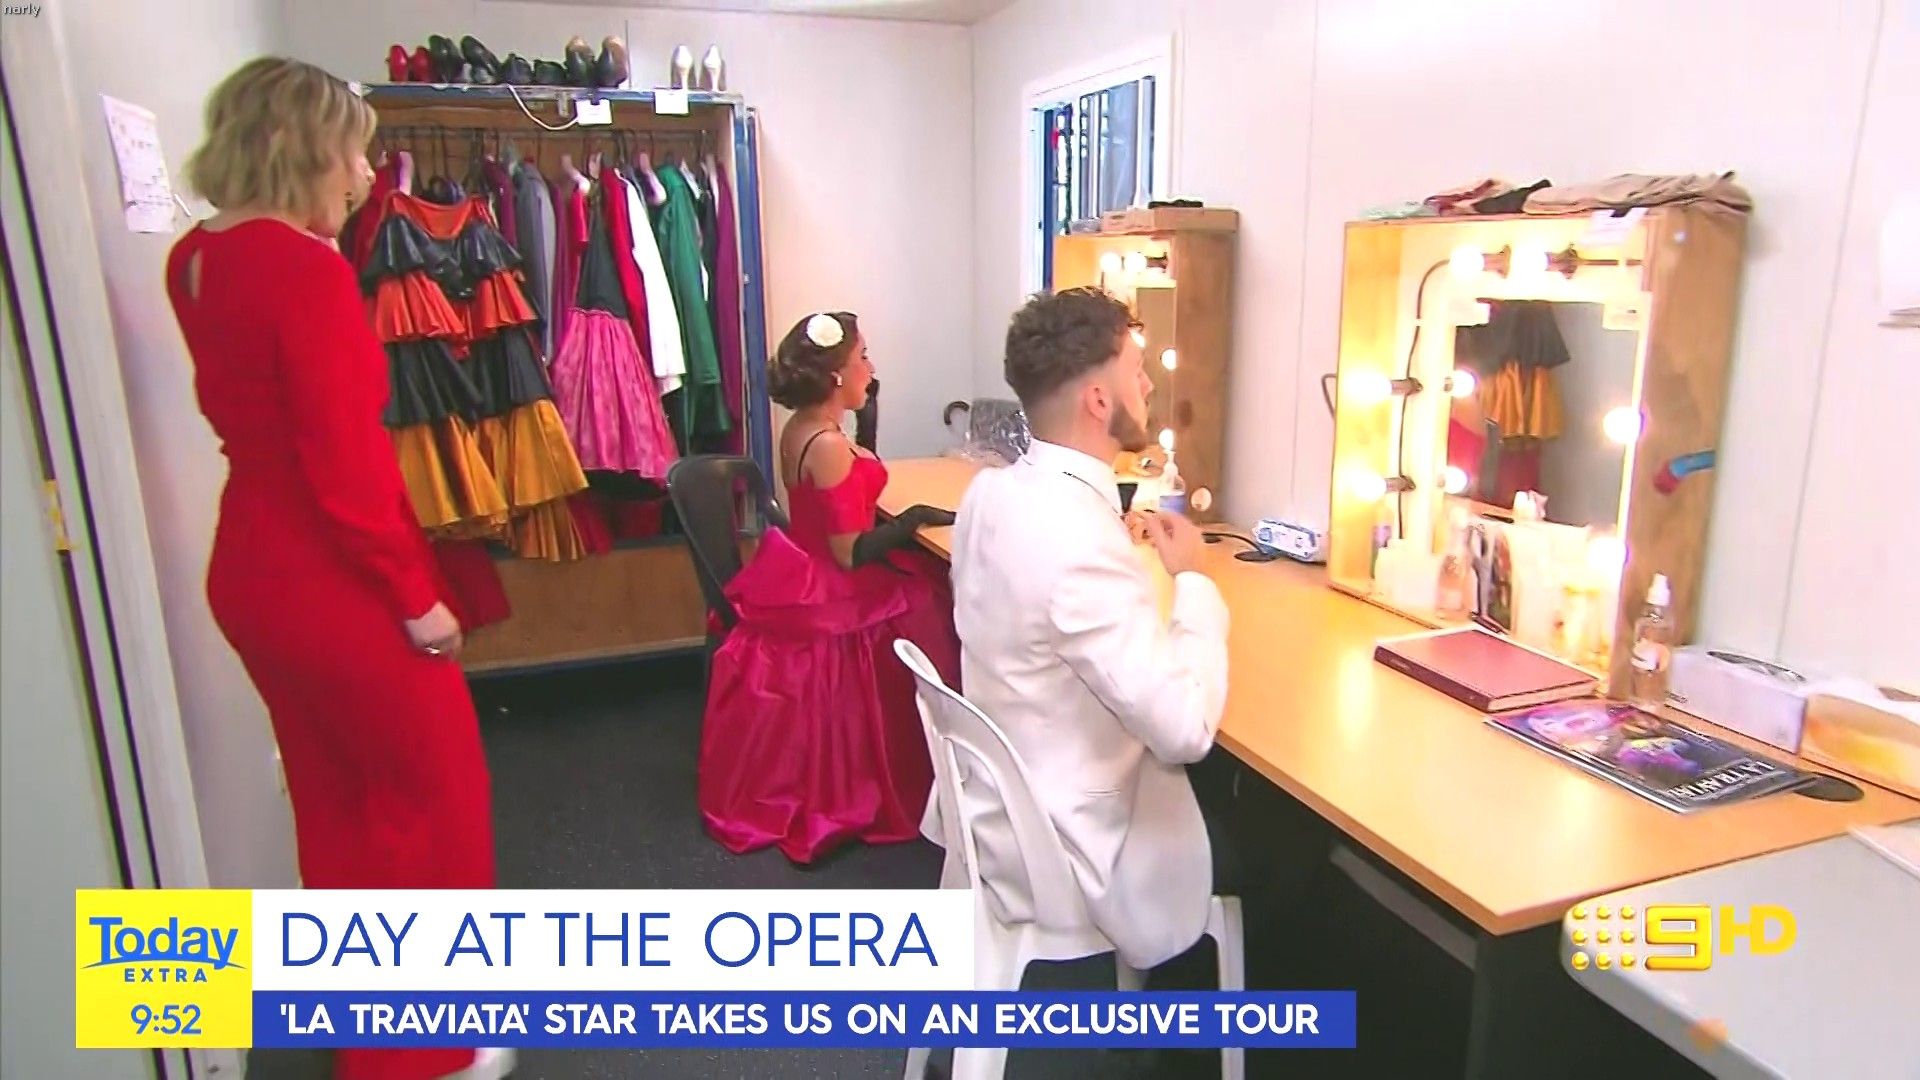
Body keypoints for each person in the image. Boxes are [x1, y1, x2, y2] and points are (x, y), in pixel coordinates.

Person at [165, 58, 508, 1080]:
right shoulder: (304, 270)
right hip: (332, 576)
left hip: (251, 567)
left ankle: (369, 1024)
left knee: (335, 803)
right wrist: (415, 598)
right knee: (434, 801)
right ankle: (429, 1053)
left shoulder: (194, 258)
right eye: (353, 153)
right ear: (303, 150)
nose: (364, 175)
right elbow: (345, 464)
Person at [699, 312, 961, 863]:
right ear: (837, 376)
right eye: (863, 357)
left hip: (805, 561)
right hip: (833, 578)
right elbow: (849, 551)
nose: (872, 367)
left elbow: (848, 491)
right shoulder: (827, 445)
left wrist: (866, 421)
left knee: (926, 582)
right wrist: (913, 519)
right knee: (932, 598)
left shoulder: (805, 427)